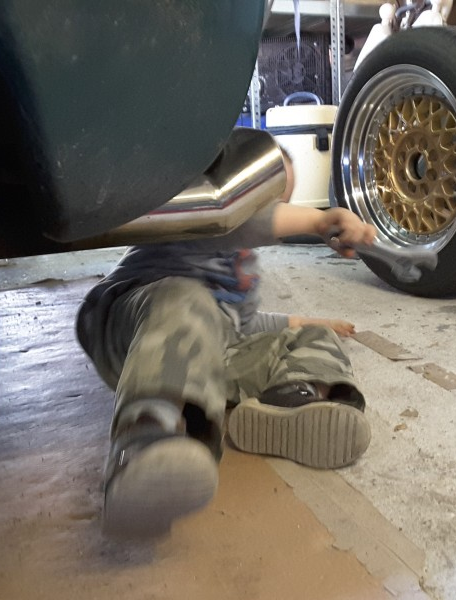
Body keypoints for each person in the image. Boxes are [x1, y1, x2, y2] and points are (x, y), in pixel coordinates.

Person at [76, 152, 376, 538]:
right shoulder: (192, 219)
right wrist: (320, 221)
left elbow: (246, 326)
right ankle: (145, 439)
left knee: (314, 339)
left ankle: (294, 400)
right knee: (189, 301)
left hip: (207, 357)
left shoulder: (245, 270)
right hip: (133, 331)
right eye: (263, 199)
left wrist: (310, 323)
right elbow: (238, 222)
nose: (272, 210)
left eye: (280, 199)